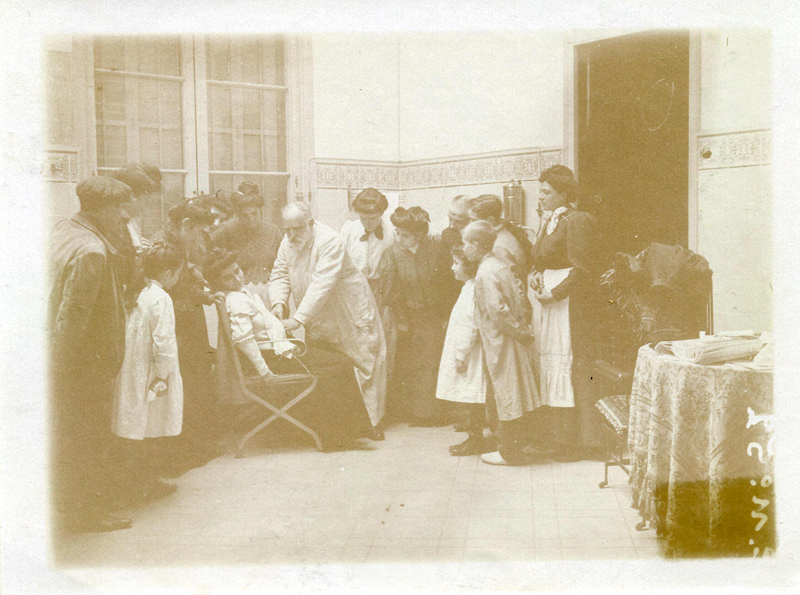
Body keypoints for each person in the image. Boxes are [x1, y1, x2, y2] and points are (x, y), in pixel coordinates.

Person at [205, 248, 376, 450]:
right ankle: (336, 436)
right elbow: (244, 340)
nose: (236, 278)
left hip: (276, 352)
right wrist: (264, 372)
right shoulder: (235, 301)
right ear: (219, 283)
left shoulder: (242, 293)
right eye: (227, 278)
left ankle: (346, 431)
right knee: (338, 365)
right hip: (270, 360)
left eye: (237, 271)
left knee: (336, 360)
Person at [49, 176, 133, 533]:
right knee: (86, 438)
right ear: (100, 209)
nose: (125, 215)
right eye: (120, 207)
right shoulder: (92, 252)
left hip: (68, 361)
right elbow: (72, 319)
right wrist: (63, 369)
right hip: (84, 365)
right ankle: (85, 515)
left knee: (69, 436)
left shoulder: (64, 229)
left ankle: (71, 507)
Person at [268, 201, 387, 440]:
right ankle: (336, 427)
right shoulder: (288, 241)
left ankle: (371, 423)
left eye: (298, 229)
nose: (292, 235)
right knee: (329, 366)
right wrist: (278, 304)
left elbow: (323, 282)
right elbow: (280, 273)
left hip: (349, 310)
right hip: (319, 313)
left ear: (311, 223)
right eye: (287, 229)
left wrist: (299, 318)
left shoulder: (330, 240)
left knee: (362, 362)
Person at [529, 165, 599, 461]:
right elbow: (542, 258)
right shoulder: (550, 220)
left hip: (567, 306)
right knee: (546, 363)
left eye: (546, 192)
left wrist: (555, 292)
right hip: (547, 302)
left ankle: (573, 442)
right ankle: (554, 437)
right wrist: (535, 272)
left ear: (563, 193)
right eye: (541, 191)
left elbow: (584, 269)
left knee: (566, 367)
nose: (541, 196)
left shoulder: (578, 220)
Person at [112, 242, 184, 502]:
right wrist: (163, 375)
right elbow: (163, 341)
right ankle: (143, 484)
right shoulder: (161, 297)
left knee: (135, 424)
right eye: (177, 273)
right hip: (151, 372)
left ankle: (138, 483)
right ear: (167, 272)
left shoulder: (139, 291)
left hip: (131, 367)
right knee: (151, 426)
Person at [462, 221, 539, 466]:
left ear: (476, 245)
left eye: (465, 243)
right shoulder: (498, 266)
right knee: (512, 391)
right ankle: (511, 447)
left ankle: (509, 452)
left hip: (501, 341)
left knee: (506, 393)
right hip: (509, 338)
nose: (463, 248)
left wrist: (519, 332)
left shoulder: (485, 272)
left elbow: (497, 311)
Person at [377, 206, 454, 426]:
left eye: (406, 235)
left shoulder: (437, 249)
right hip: (406, 318)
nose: (401, 239)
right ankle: (410, 411)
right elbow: (389, 290)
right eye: (398, 234)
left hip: (433, 316)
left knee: (431, 363)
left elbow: (447, 285)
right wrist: (401, 318)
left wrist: (445, 315)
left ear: (420, 234)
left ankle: (432, 413)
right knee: (409, 364)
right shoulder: (392, 254)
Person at [158, 200, 219, 473]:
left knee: (197, 380)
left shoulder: (179, 244)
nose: (202, 237)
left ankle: (197, 446)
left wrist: (203, 294)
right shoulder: (165, 248)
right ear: (185, 226)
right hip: (176, 326)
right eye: (199, 231)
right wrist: (199, 296)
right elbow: (167, 294)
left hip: (188, 321)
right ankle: (181, 453)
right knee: (183, 385)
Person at [339, 187, 398, 388]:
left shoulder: (392, 232)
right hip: (354, 294)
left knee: (383, 345)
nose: (367, 223)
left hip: (383, 294)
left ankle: (383, 396)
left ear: (382, 213)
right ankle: (360, 398)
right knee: (359, 345)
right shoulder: (349, 229)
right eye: (363, 218)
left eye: (372, 218)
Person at [435, 247, 491, 456]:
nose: (452, 267)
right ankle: (475, 437)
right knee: (472, 396)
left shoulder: (473, 290)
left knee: (473, 397)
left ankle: (476, 440)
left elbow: (470, 325)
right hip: (468, 351)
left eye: (456, 263)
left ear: (468, 266)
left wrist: (460, 355)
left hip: (470, 355)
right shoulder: (468, 288)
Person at [212, 183, 282, 308]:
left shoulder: (273, 231)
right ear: (237, 214)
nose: (251, 220)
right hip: (237, 298)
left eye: (254, 214)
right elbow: (210, 265)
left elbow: (283, 267)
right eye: (245, 215)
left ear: (260, 211)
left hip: (270, 296)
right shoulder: (226, 231)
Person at [468, 194, 531, 284]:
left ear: (491, 220)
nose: (471, 224)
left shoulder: (498, 246)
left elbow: (509, 284)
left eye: (474, 220)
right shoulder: (501, 235)